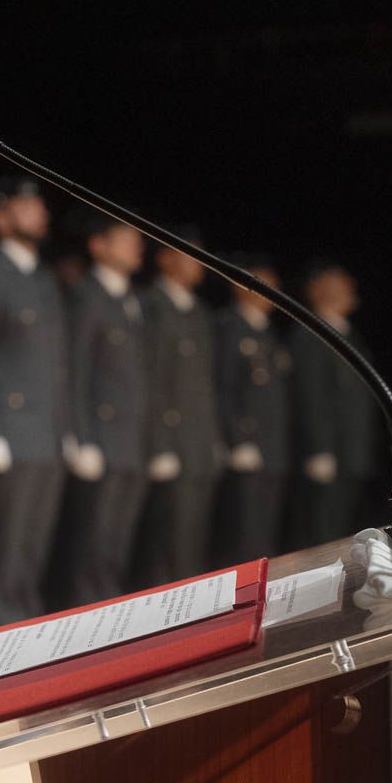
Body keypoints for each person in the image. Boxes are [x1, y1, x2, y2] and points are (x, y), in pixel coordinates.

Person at [0, 176, 69, 628]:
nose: (39, 211)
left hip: (46, 432)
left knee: (34, 541)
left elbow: (58, 363)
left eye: (39, 204)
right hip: (11, 429)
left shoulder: (42, 276)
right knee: (5, 541)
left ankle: (26, 622)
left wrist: (68, 428)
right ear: (1, 217)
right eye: (27, 204)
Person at [47, 217, 151, 607]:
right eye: (126, 239)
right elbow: (75, 370)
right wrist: (81, 436)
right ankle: (91, 616)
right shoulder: (87, 296)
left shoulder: (130, 299)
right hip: (102, 437)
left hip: (131, 439)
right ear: (99, 245)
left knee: (117, 542)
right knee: (94, 541)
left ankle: (112, 614)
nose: (136, 246)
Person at [134, 236, 225, 585]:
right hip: (172, 439)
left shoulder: (198, 311)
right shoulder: (152, 305)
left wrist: (214, 438)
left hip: (199, 441)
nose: (199, 264)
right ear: (167, 259)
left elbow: (205, 383)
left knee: (194, 535)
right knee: (168, 539)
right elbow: (152, 380)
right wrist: (160, 443)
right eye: (190, 255)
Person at [288, 261, 385, 548]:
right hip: (329, 453)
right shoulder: (311, 332)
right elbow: (310, 393)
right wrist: (319, 448)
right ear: (318, 292)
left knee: (343, 525)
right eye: (340, 287)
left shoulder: (347, 332)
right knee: (322, 529)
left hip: (351, 450)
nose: (349, 292)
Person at [211, 258, 293, 564]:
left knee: (265, 531)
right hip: (248, 444)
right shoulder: (230, 327)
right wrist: (236, 438)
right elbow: (223, 387)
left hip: (272, 447)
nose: (271, 293)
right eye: (263, 285)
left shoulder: (268, 333)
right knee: (245, 533)